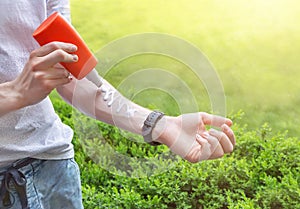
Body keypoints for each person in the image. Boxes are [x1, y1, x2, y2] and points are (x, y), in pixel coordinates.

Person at [0, 0, 236, 208]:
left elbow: (70, 75)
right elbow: (25, 87)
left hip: (51, 169)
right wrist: (13, 93)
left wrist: (159, 125)